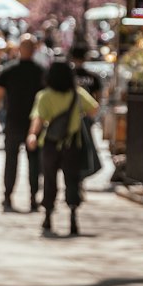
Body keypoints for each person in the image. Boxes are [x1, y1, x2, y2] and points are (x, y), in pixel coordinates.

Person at [27, 59, 99, 236]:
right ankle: (73, 215)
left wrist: (32, 135)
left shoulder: (45, 95)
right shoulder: (77, 94)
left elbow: (38, 118)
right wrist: (78, 114)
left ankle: (48, 216)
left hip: (50, 145)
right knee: (72, 181)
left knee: (50, 181)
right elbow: (94, 109)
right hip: (72, 144)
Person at [0, 34, 46, 212]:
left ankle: (13, 197)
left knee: (17, 162)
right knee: (31, 162)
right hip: (28, 123)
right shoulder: (39, 71)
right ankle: (25, 198)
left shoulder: (11, 70)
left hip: (22, 123)